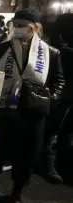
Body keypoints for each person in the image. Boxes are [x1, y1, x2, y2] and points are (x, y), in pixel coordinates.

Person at [0, 9, 65, 203]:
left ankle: (17, 191)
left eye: (23, 26)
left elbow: (58, 81)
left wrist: (49, 100)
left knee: (26, 155)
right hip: (3, 110)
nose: (17, 29)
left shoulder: (51, 53)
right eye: (15, 25)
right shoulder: (1, 49)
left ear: (35, 28)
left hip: (32, 113)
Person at [41, 13, 73, 184]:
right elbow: (59, 47)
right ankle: (48, 162)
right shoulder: (64, 23)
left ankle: (63, 161)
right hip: (62, 90)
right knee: (54, 128)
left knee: (66, 131)